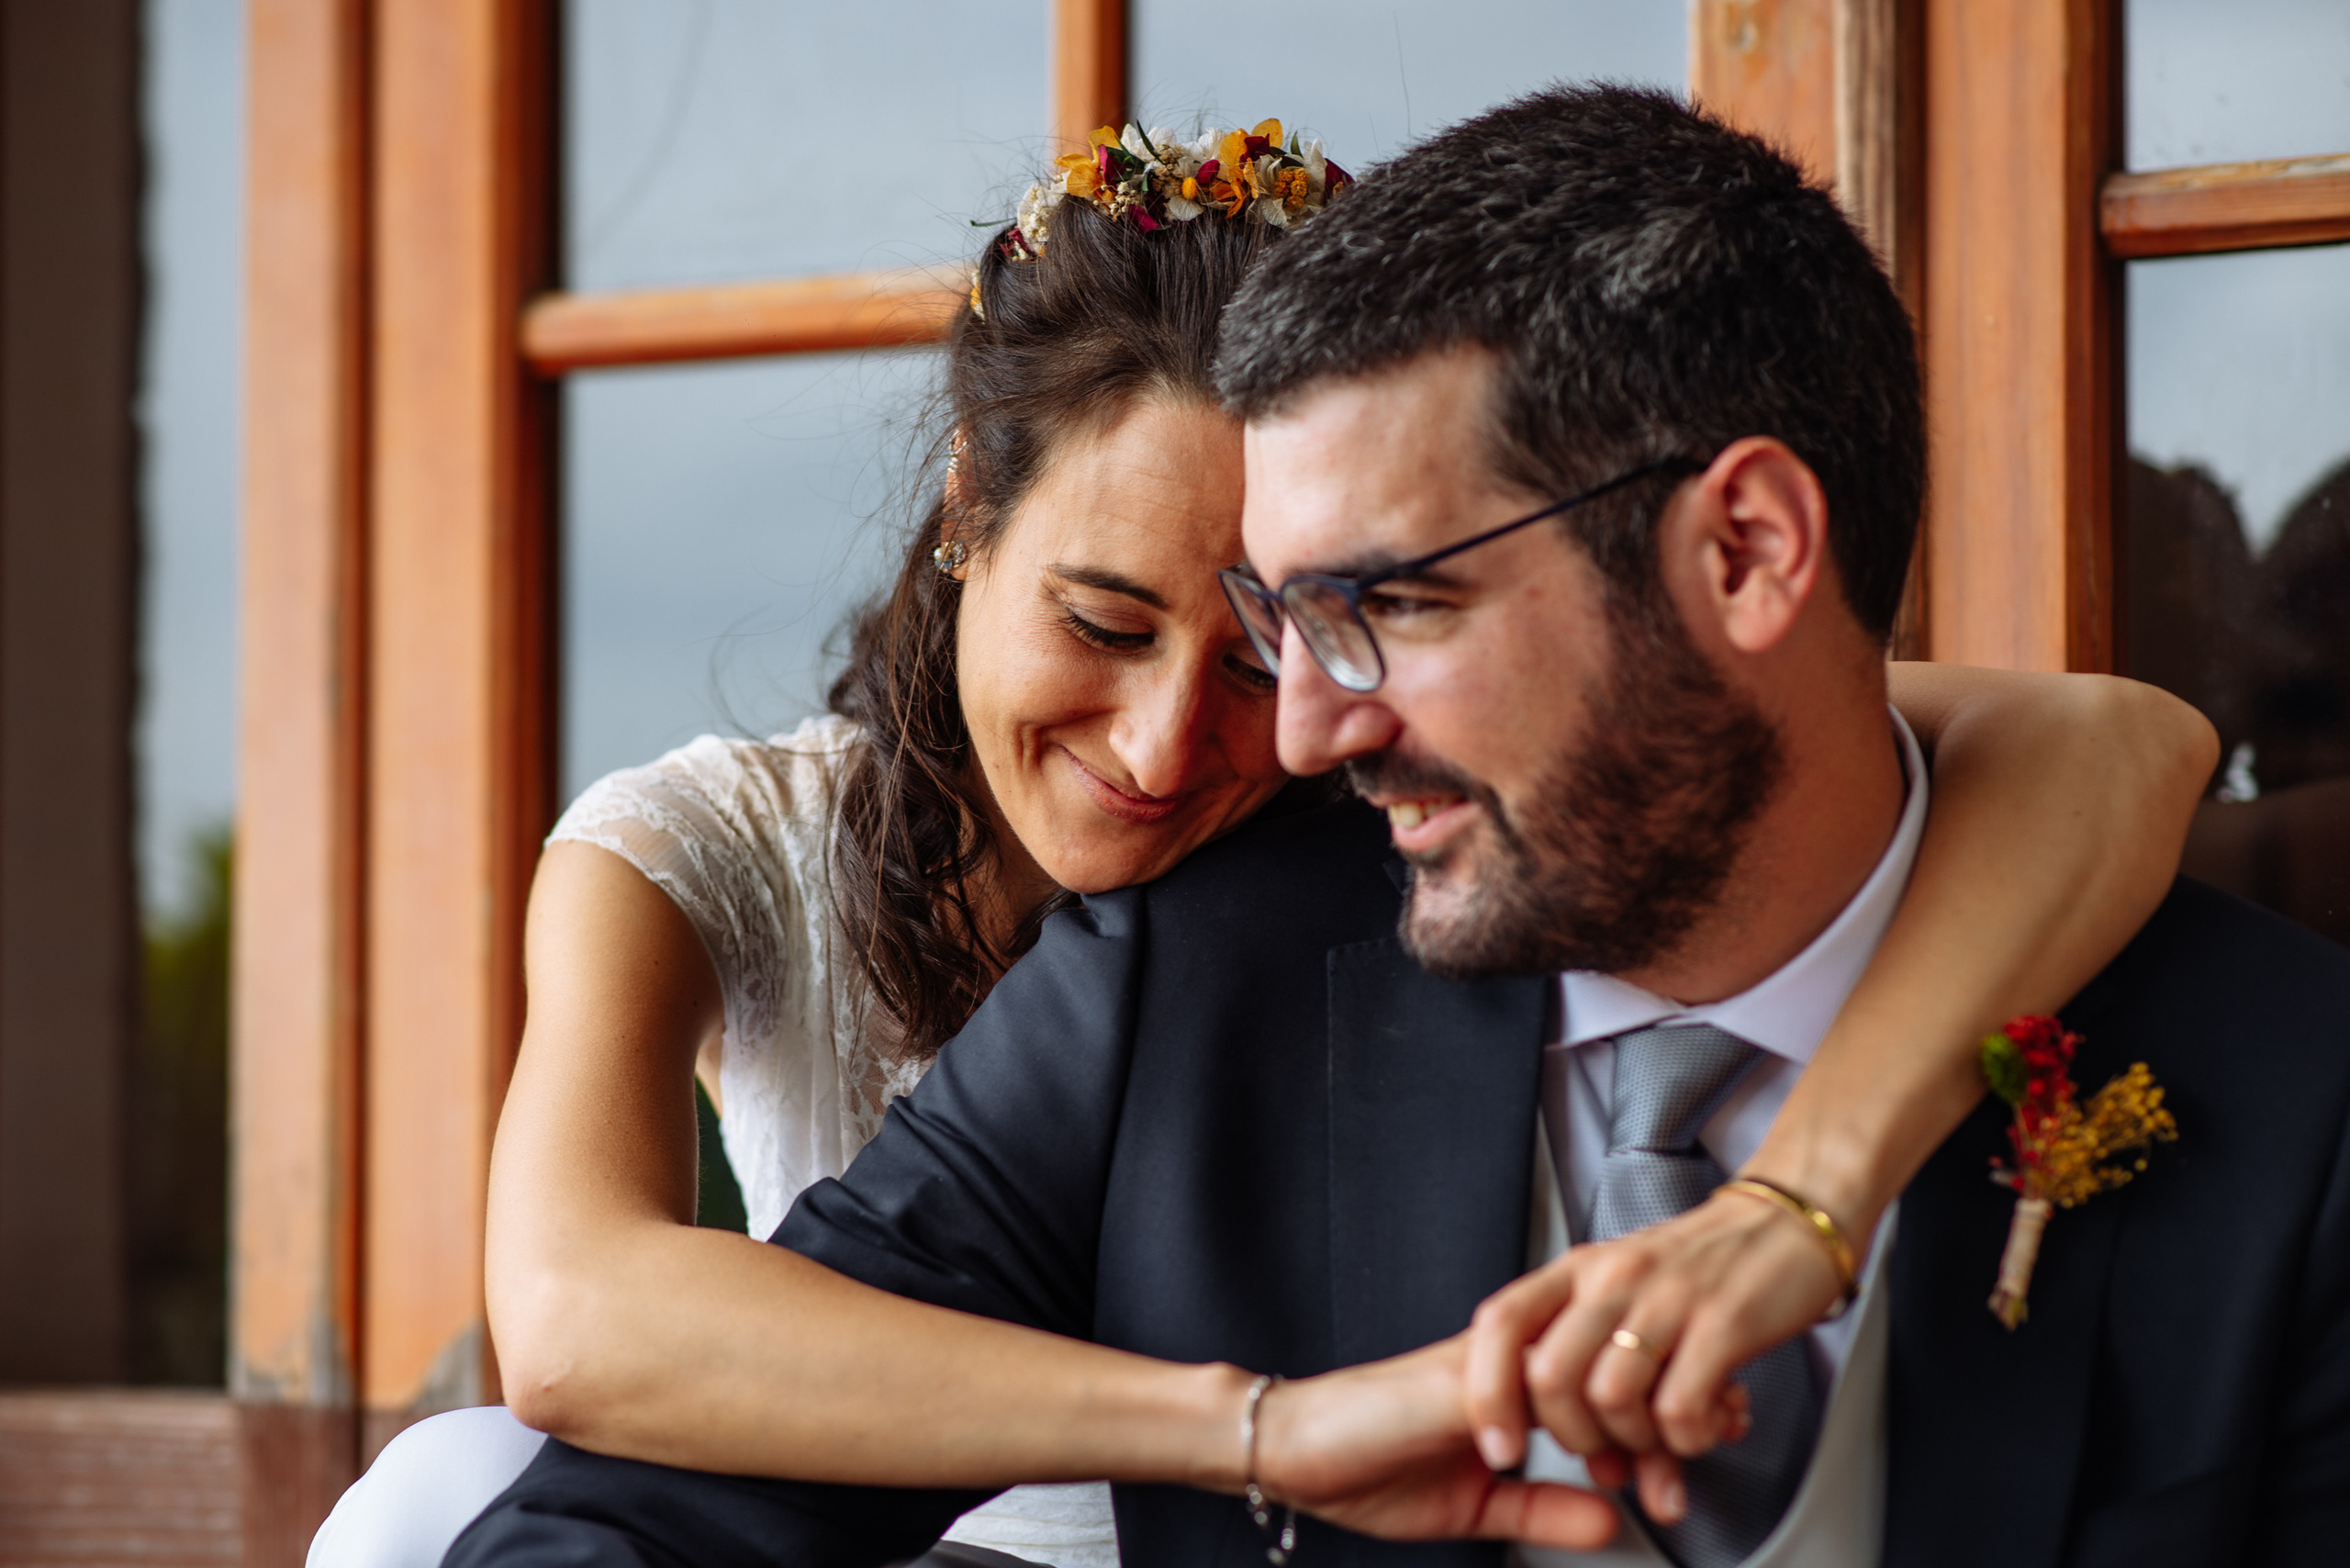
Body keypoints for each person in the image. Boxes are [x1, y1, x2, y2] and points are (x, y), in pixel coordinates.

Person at [341, 105, 2221, 1568]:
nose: (1174, 741)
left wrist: (1793, 1202)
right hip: (999, 1508)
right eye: (1101, 623)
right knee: (439, 1489)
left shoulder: (1408, 800)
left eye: (1276, 641)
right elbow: (573, 1327)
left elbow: (2110, 738)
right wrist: (1249, 1426)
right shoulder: (736, 851)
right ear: (966, 509)